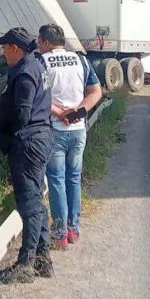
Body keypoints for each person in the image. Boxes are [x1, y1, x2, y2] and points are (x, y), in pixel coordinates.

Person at [0, 27, 55, 284]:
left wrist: (6, 138)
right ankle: (43, 259)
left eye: (5, 47)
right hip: (40, 137)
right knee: (36, 202)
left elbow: (23, 114)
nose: (3, 52)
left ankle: (25, 263)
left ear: (15, 48)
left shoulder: (26, 72)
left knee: (28, 205)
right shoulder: (35, 64)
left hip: (28, 142)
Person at [37, 24, 102, 249]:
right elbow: (96, 91)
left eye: (39, 41)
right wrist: (78, 112)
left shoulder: (42, 62)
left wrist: (59, 113)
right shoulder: (81, 60)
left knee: (56, 180)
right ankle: (74, 229)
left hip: (54, 128)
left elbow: (38, 96)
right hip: (78, 130)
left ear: (44, 41)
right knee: (74, 178)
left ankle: (60, 233)